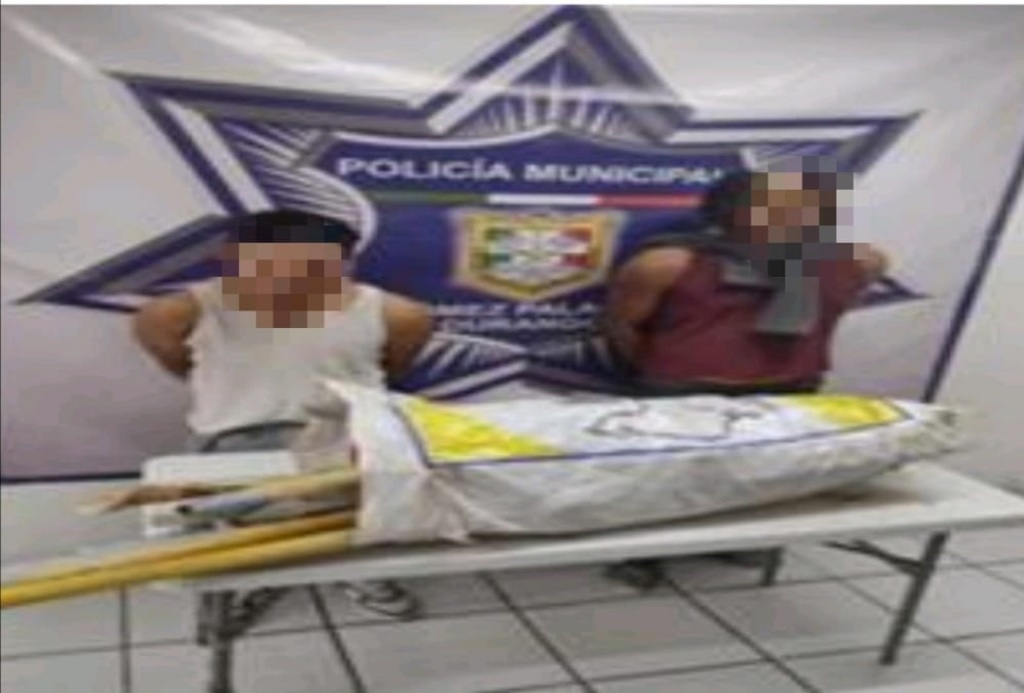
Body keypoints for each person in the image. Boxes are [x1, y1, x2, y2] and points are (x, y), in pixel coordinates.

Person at [132, 208, 434, 620]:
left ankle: (357, 572)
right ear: (234, 259)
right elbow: (177, 362)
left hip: (345, 443)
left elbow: (392, 368)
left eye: (311, 270)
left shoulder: (400, 315)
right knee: (244, 529)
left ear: (345, 265)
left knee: (348, 521)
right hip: (229, 443)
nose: (287, 282)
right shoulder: (176, 313)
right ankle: (253, 572)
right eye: (268, 268)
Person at [601, 169, 888, 589]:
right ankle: (646, 552)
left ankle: (734, 539)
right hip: (684, 391)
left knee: (760, 476)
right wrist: (666, 373)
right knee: (665, 478)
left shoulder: (859, 262)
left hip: (792, 390)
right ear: (729, 212)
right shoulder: (665, 265)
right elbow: (622, 326)